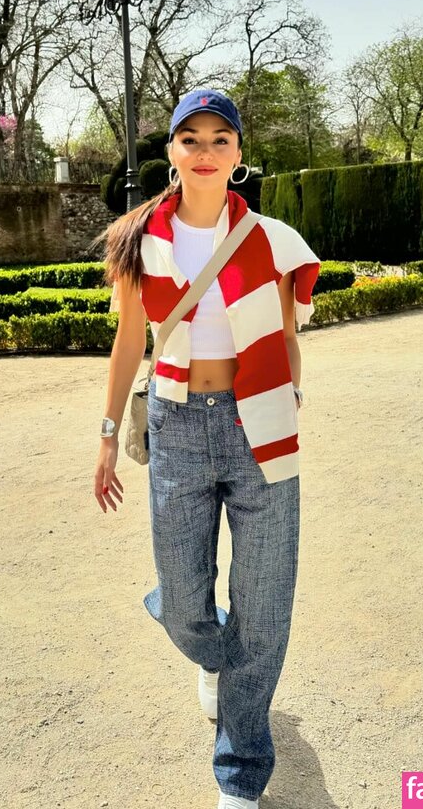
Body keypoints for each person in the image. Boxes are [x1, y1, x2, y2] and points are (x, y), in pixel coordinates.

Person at [93, 88, 321, 809]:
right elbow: (129, 341)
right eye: (190, 138)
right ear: (171, 152)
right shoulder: (140, 240)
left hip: (261, 425)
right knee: (185, 599)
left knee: (266, 602)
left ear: (239, 154)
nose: (205, 151)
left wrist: (292, 395)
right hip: (179, 424)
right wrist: (107, 436)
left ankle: (240, 772)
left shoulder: (273, 240)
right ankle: (214, 652)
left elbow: (287, 333)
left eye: (220, 139)